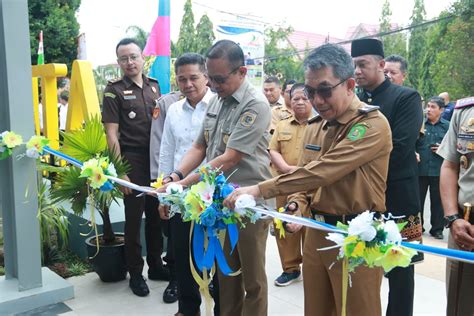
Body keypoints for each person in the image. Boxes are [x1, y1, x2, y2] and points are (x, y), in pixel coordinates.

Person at [225, 43, 393, 316]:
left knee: (358, 310)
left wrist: (259, 189)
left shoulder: (371, 125)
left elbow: (324, 171)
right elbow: (303, 176)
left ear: (349, 85)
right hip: (315, 232)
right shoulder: (317, 127)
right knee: (315, 309)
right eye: (311, 91)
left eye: (325, 91)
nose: (317, 100)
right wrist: (295, 205)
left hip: (355, 236)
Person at [158, 39, 272, 316]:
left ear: (242, 72)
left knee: (252, 280)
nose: (213, 85)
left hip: (250, 205)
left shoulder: (254, 105)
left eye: (219, 79)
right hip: (220, 203)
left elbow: (230, 158)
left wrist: (184, 184)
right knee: (226, 275)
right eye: (211, 78)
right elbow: (200, 147)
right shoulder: (217, 102)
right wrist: (175, 174)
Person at [352, 38, 423, 316]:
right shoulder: (353, 101)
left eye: (363, 65)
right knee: (361, 263)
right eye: (354, 65)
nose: (356, 71)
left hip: (400, 198)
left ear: (381, 65)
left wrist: (356, 169)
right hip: (361, 198)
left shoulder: (406, 98)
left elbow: (402, 147)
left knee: (401, 269)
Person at [102, 38, 168, 297]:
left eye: (133, 57)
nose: (129, 62)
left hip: (156, 161)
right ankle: (136, 274)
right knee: (133, 220)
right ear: (118, 62)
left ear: (143, 58)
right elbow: (111, 134)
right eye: (123, 58)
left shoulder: (155, 86)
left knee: (155, 216)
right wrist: (120, 171)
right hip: (132, 161)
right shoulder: (113, 90)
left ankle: (156, 266)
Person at [158, 53, 215, 316]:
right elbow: (166, 153)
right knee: (181, 253)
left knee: (214, 255)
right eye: (182, 79)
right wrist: (163, 196)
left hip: (213, 193)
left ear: (206, 76)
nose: (188, 84)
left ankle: (220, 307)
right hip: (179, 193)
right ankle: (187, 308)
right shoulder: (173, 110)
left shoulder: (218, 105)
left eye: (194, 77)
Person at [269, 83, 311, 287]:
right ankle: (291, 268)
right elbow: (273, 150)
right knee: (284, 228)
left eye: (305, 98)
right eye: (296, 98)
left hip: (312, 185)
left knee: (310, 228)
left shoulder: (320, 125)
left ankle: (313, 268)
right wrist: (286, 168)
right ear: (289, 101)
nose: (300, 102)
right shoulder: (282, 125)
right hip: (285, 184)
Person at [437, 96, 474, 316]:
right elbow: (450, 166)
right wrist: (453, 218)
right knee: (460, 305)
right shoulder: (466, 111)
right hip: (465, 227)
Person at [416, 96, 449, 239]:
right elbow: (412, 143)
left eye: (433, 107)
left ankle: (437, 229)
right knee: (418, 200)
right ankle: (418, 226)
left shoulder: (447, 126)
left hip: (439, 169)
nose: (428, 109)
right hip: (420, 169)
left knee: (437, 201)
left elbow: (454, 147)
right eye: (428, 106)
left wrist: (443, 148)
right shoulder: (420, 124)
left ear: (441, 110)